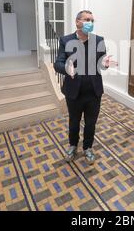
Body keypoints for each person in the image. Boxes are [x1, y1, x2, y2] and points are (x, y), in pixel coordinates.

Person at [54, 10, 117, 165]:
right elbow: (58, 63)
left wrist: (105, 64)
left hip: (93, 92)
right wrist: (66, 69)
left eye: (92, 20)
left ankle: (88, 147)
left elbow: (101, 63)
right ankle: (73, 145)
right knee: (74, 121)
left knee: (91, 123)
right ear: (77, 22)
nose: (90, 23)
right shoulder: (66, 40)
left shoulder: (99, 40)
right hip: (73, 91)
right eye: (87, 19)